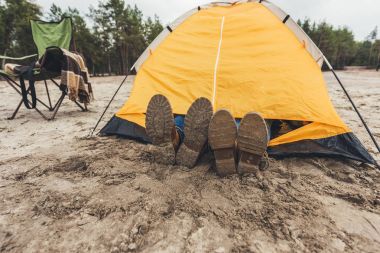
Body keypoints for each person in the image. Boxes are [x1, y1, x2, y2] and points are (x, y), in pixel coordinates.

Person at [145, 95, 270, 176]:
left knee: (185, 113)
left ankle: (176, 138)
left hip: (199, 91)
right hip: (249, 97)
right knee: (258, 121)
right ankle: (238, 149)